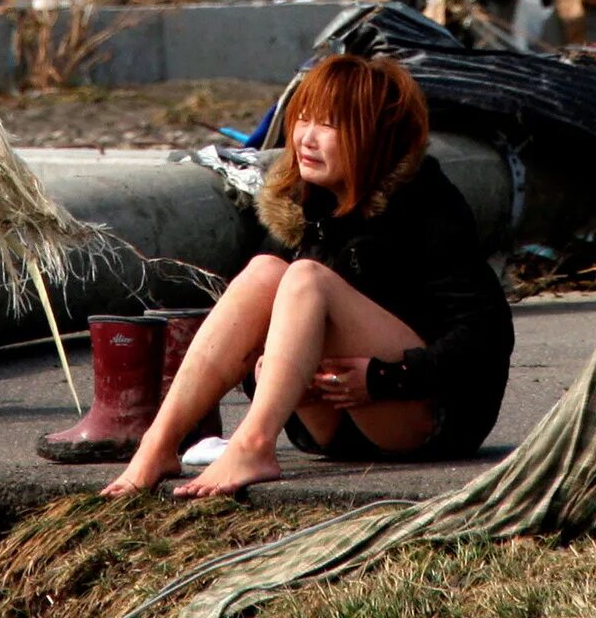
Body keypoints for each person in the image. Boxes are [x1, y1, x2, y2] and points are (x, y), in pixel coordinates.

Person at [102, 53, 513, 499]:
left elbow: (486, 335)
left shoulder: (428, 205)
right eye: (303, 120)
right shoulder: (302, 207)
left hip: (423, 416)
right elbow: (250, 341)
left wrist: (384, 378)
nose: (306, 139)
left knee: (306, 279)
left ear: (376, 135)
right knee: (264, 272)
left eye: (329, 125)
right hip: (329, 429)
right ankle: (158, 444)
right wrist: (265, 374)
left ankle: (254, 445)